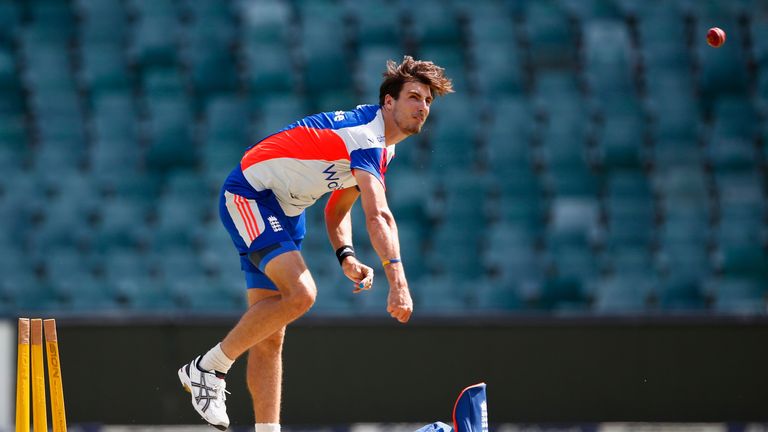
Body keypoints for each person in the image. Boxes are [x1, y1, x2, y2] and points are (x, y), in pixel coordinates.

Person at [177, 56, 454, 431]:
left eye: (427, 102)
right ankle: (207, 368)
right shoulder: (367, 138)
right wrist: (398, 281)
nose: (422, 107)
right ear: (389, 102)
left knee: (271, 334)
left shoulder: (384, 148)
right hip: (251, 194)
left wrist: (346, 255)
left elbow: (339, 209)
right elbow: (379, 216)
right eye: (414, 97)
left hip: (287, 211)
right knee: (302, 294)